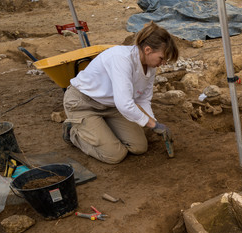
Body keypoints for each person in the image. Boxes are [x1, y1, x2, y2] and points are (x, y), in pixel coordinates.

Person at [62, 22, 178, 164]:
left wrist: (155, 123)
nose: (163, 63)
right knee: (114, 155)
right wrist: (152, 125)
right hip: (83, 103)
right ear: (148, 50)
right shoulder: (121, 59)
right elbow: (125, 104)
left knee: (139, 147)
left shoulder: (150, 67)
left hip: (111, 105)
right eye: (162, 58)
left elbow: (143, 100)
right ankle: (73, 133)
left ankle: (102, 128)